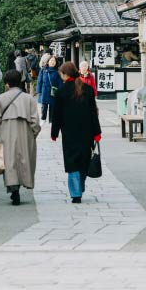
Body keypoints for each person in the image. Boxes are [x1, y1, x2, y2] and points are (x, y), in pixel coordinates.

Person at [51, 61, 102, 204]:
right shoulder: (87, 90)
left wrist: (54, 133)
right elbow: (93, 113)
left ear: (65, 74)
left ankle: (76, 193)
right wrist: (97, 133)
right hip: (87, 132)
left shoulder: (61, 92)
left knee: (72, 161)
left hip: (69, 133)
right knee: (84, 160)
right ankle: (80, 183)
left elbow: (57, 115)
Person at [0, 69, 41, 205]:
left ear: (7, 84)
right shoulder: (28, 98)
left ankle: (14, 189)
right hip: (25, 133)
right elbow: (35, 121)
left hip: (6, 132)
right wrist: (33, 134)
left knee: (9, 161)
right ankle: (24, 182)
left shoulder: (0, 99)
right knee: (24, 160)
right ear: (19, 82)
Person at [37, 55, 63, 122]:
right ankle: (43, 118)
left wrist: (60, 91)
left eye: (54, 61)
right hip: (44, 90)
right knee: (44, 106)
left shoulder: (58, 71)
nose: (52, 62)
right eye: (51, 60)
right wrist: (39, 91)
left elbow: (60, 82)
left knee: (53, 106)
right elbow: (39, 81)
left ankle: (51, 120)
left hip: (53, 91)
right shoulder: (43, 70)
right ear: (48, 62)